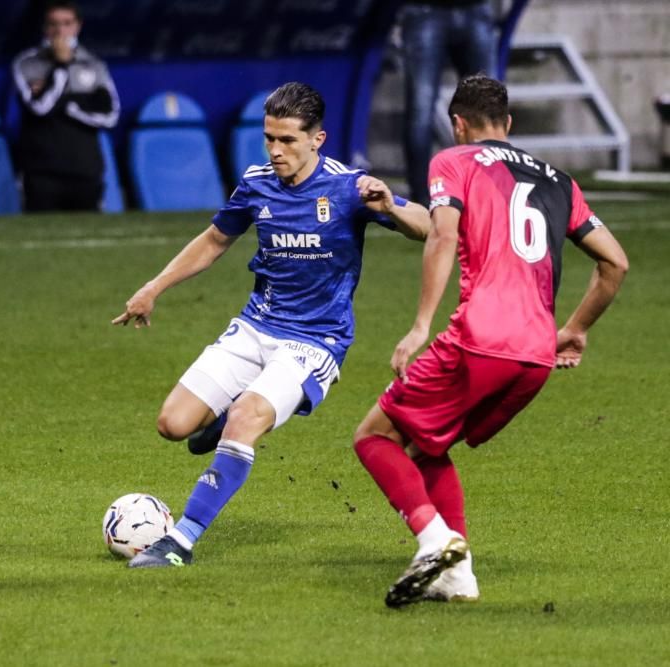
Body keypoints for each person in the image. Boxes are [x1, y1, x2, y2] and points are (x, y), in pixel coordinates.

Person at [112, 82, 431, 569]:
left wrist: (390, 206)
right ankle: (218, 422)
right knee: (172, 425)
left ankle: (181, 541)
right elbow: (215, 240)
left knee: (248, 417)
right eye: (269, 139)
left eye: (287, 141)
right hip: (255, 326)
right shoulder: (257, 182)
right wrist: (154, 287)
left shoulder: (349, 188)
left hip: (315, 341)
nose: (276, 150)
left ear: (317, 139)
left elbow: (431, 227)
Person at [352, 75, 629, 607]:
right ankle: (458, 577)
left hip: (480, 339)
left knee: (375, 437)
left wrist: (419, 324)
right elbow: (615, 263)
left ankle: (437, 543)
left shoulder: (453, 162)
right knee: (427, 442)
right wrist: (574, 331)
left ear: (458, 124)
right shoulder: (561, 182)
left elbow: (442, 233)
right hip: (535, 356)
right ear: (509, 125)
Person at [12, 0, 120, 212]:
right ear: (44, 27)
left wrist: (68, 105)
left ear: (77, 25)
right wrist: (61, 67)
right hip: (42, 171)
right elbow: (41, 108)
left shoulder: (93, 64)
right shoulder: (28, 63)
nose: (60, 30)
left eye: (67, 23)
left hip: (86, 170)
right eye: (53, 24)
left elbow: (109, 116)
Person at [401, 0, 497, 206]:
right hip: (424, 11)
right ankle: (422, 199)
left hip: (476, 9)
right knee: (421, 110)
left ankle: (488, 190)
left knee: (488, 107)